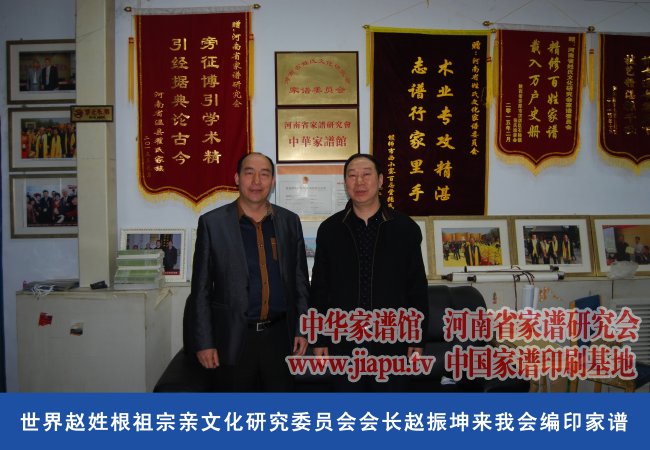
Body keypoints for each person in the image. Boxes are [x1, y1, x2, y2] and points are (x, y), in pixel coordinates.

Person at [186, 152, 309, 391]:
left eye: (264, 174)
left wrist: (302, 329)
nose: (256, 181)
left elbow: (300, 281)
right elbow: (200, 289)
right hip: (232, 338)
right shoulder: (213, 224)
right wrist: (204, 342)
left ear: (273, 181)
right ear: (237, 178)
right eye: (249, 173)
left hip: (279, 337)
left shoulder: (289, 221)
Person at [309, 153, 428, 391]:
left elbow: (416, 287)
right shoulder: (330, 230)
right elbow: (320, 288)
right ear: (345, 183)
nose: (359, 182)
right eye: (352, 176)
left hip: (392, 339)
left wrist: (418, 335)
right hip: (343, 340)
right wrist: (318, 337)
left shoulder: (405, 228)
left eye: (366, 174)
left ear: (381, 180)